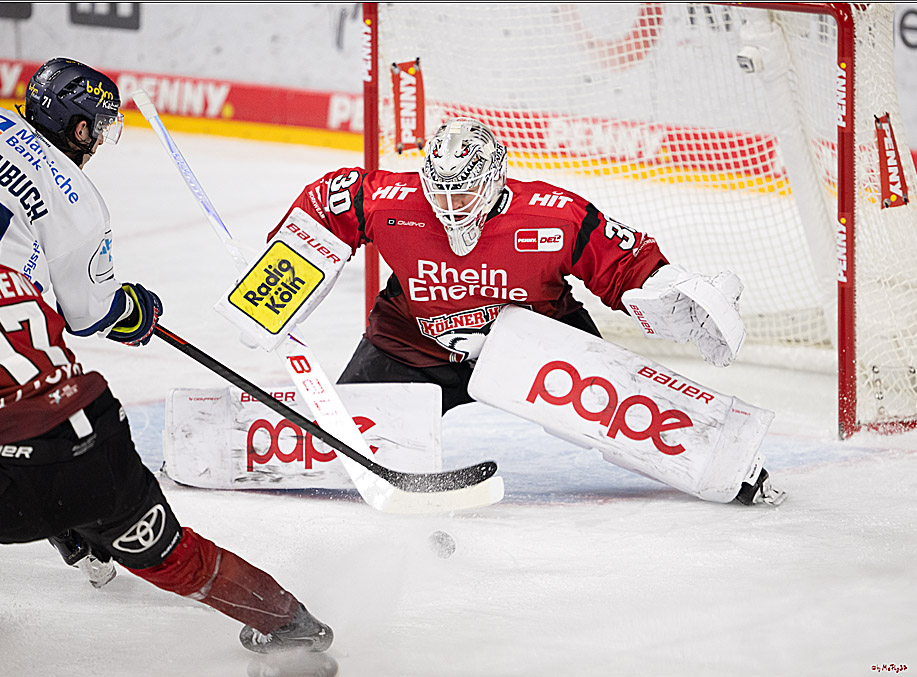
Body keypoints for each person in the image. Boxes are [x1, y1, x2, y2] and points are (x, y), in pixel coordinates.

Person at [0, 183, 334, 668]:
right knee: (173, 556)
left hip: (14, 481)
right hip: (99, 442)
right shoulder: (19, 286)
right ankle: (290, 623)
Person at [266, 117, 782, 505]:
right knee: (342, 443)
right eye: (439, 190)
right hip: (413, 343)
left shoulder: (553, 215)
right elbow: (331, 199)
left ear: (493, 180)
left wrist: (668, 288)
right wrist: (284, 267)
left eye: (464, 190)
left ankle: (728, 462)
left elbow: (622, 264)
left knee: (626, 413)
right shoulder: (392, 203)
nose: (451, 206)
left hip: (541, 346)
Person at [0, 57, 164, 585]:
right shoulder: (76, 197)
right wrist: (134, 310)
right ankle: (80, 525)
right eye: (99, 130)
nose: (96, 146)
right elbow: (88, 312)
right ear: (80, 126)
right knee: (16, 419)